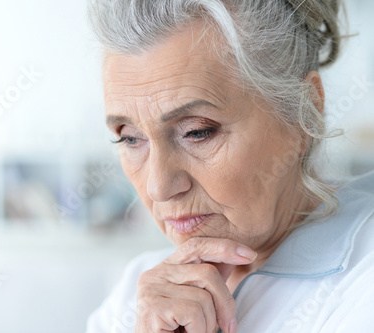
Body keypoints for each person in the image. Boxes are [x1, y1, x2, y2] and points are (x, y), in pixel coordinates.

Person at [85, 0, 374, 332]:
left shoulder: (363, 283)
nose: (158, 187)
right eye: (131, 139)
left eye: (197, 132)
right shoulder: (137, 298)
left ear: (303, 113)